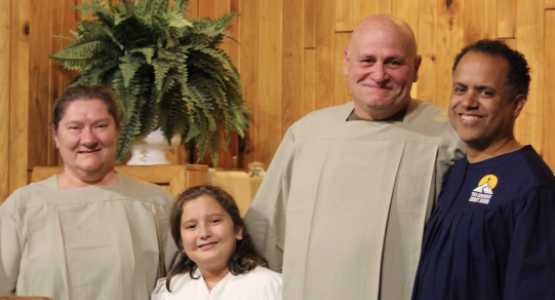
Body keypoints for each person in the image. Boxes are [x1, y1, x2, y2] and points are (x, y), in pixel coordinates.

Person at [244, 14, 465, 300]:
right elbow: (264, 233)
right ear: (347, 62)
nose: (379, 74)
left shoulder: (448, 138)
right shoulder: (306, 134)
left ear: (416, 67)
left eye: (394, 62)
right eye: (367, 60)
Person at [0, 85, 174, 300]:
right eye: (75, 128)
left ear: (117, 130)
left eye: (100, 126)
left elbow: (189, 287)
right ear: (55, 135)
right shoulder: (21, 207)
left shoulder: (157, 204)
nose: (89, 139)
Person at [411, 40, 555, 299]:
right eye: (460, 89)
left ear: (516, 105)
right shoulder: (455, 172)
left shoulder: (531, 187)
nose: (468, 102)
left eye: (485, 92)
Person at [152, 185, 282, 300]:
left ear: (237, 229)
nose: (204, 233)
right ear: (180, 243)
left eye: (214, 221)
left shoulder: (268, 286)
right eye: (191, 226)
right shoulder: (170, 290)